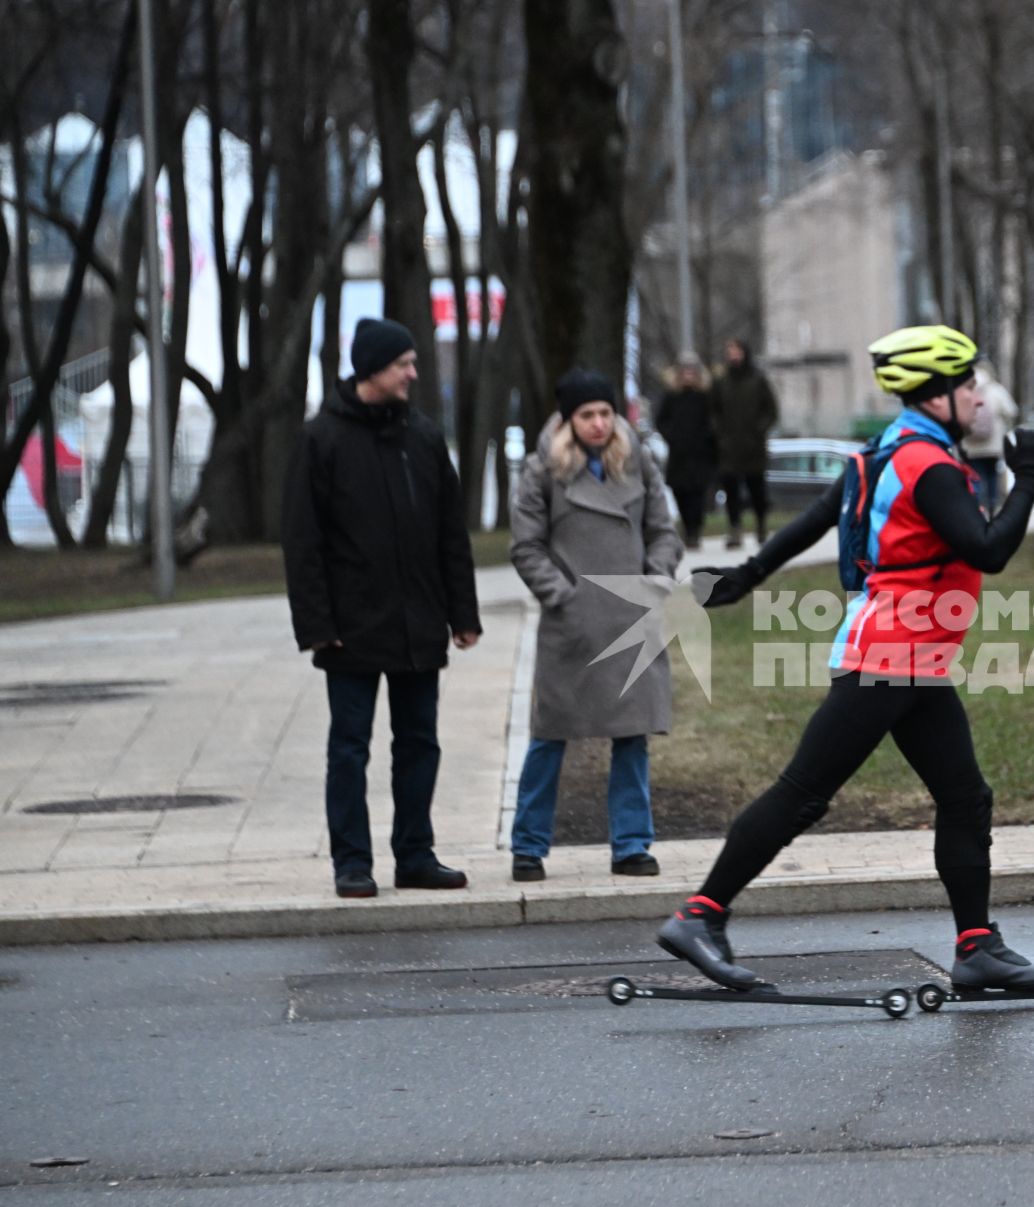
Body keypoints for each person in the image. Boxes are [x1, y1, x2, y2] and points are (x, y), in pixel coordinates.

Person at [655, 324, 1034, 992]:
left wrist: (748, 573)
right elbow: (987, 549)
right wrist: (1031, 477)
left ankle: (977, 945)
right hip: (891, 654)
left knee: (965, 796)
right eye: (967, 385)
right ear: (935, 395)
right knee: (802, 794)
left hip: (914, 658)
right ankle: (699, 917)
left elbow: (818, 516)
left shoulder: (889, 451)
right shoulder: (928, 466)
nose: (978, 398)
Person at [281, 317, 480, 899]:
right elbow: (302, 542)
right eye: (404, 365)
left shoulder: (422, 437)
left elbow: (451, 533)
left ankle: (415, 855)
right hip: (349, 630)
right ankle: (352, 863)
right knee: (350, 747)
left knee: (420, 743)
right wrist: (317, 626)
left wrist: (462, 614)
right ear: (372, 368)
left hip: (419, 625)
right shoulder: (321, 439)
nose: (414, 374)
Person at [508, 368, 684, 881]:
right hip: (573, 623)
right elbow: (525, 546)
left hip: (633, 615)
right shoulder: (543, 470)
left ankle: (631, 844)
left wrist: (655, 576)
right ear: (569, 419)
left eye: (606, 413)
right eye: (587, 414)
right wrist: (562, 595)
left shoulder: (637, 463)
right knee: (551, 735)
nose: (599, 423)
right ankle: (528, 846)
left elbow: (664, 532)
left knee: (632, 735)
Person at [711, 337, 779, 549]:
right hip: (729, 448)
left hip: (753, 447)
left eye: (736, 350)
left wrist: (759, 430)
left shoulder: (758, 380)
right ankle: (735, 529)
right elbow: (713, 411)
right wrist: (720, 434)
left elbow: (771, 410)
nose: (733, 355)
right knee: (731, 491)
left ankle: (761, 525)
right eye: (729, 351)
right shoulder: (721, 382)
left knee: (756, 489)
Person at [654, 353, 718, 548]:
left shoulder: (705, 397)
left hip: (700, 454)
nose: (688, 375)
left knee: (697, 494)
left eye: (692, 371)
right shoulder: (671, 396)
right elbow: (661, 420)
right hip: (679, 454)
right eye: (685, 371)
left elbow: (714, 420)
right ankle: (687, 526)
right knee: (680, 492)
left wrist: (707, 438)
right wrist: (672, 436)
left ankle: (695, 530)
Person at [967, 359, 1017, 511]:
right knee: (992, 474)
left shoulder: (966, 389)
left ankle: (977, 506)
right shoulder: (996, 389)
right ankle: (992, 507)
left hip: (971, 445)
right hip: (993, 444)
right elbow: (1011, 411)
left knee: (976, 475)